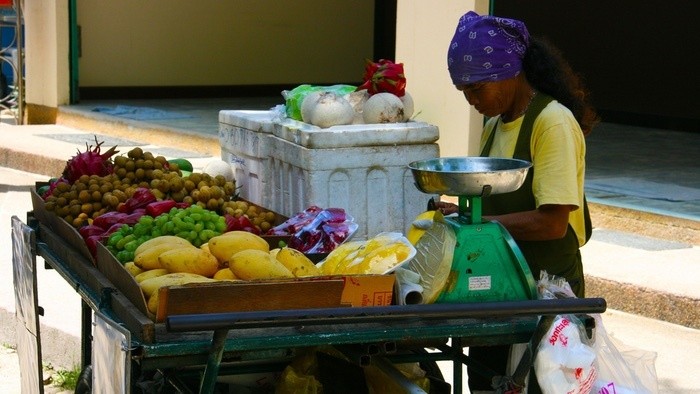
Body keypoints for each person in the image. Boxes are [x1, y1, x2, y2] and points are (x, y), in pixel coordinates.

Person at [439, 10, 599, 393]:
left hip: (547, 291)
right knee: (485, 382)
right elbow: (488, 203)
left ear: (509, 71)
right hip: (500, 288)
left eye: (477, 89)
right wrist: (458, 214)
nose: (472, 101)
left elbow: (552, 223)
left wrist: (479, 225)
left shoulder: (553, 122)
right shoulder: (494, 127)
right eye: (464, 92)